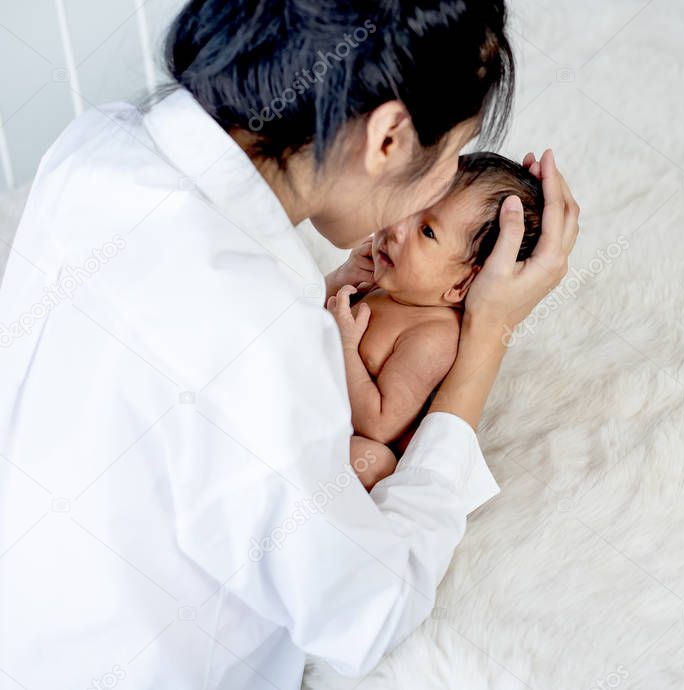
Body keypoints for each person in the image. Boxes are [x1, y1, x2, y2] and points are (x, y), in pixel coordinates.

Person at [0, 2, 579, 689]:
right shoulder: (263, 342)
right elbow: (370, 610)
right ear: (389, 137)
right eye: (449, 157)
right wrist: (487, 334)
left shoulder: (93, 145)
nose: (435, 191)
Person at [330, 152, 544, 489]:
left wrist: (343, 346)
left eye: (427, 231)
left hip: (342, 432)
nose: (397, 228)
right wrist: (340, 278)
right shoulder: (387, 282)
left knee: (372, 460)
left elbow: (381, 425)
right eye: (408, 204)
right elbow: (308, 316)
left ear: (460, 284)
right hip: (299, 395)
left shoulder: (433, 335)